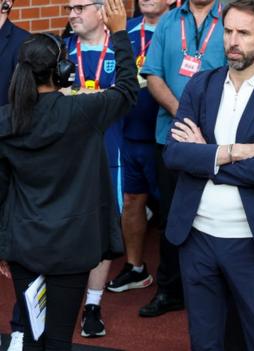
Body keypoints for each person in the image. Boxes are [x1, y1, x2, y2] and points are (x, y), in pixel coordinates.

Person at [163, 0, 254, 349]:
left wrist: (206, 158)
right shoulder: (200, 85)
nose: (232, 41)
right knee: (204, 341)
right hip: (196, 237)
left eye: (243, 33)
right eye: (228, 31)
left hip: (252, 241)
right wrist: (230, 152)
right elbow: (175, 153)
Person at [0, 0, 138, 348]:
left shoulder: (5, 121)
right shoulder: (83, 111)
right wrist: (120, 33)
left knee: (33, 334)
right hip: (73, 244)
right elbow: (127, 89)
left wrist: (4, 246)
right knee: (59, 337)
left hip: (24, 243)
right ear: (61, 72)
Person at [138, 0, 226, 317]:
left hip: (219, 138)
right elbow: (153, 76)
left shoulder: (231, 16)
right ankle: (170, 290)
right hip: (171, 136)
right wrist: (184, 116)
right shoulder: (168, 21)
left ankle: (216, 292)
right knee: (172, 218)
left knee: (218, 215)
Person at [64, 0, 126, 337]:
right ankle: (60, 297)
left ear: (101, 11)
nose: (72, 14)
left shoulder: (120, 48)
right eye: (69, 8)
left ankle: (92, 305)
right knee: (67, 226)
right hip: (67, 157)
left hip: (109, 153)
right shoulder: (60, 51)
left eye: (79, 7)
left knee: (103, 228)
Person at [106, 0, 173, 294]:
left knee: (172, 210)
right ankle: (135, 268)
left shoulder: (181, 29)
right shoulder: (125, 29)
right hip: (129, 135)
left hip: (167, 136)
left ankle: (175, 281)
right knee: (132, 201)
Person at [0, 0, 28, 349]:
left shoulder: (23, 43)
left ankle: (21, 328)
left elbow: (24, 105)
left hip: (10, 159)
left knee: (19, 252)